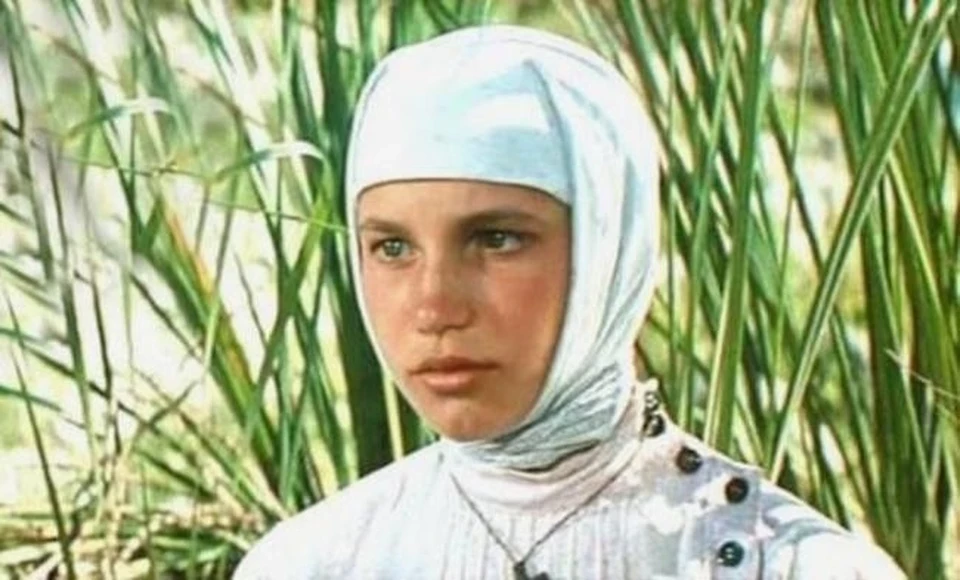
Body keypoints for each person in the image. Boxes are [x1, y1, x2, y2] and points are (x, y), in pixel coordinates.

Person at [234, 25, 904, 579]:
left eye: (495, 239)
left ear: (607, 251)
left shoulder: (787, 564)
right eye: (392, 248)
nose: (434, 308)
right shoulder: (312, 563)